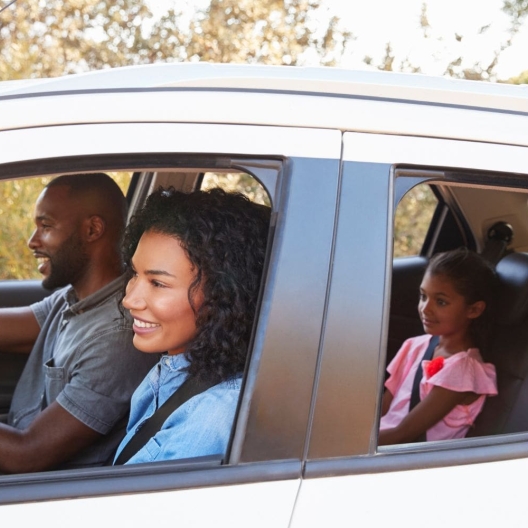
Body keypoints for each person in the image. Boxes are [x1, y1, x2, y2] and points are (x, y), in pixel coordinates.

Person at [0, 173, 157, 473]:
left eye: (45, 226)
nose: (33, 242)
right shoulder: (74, 297)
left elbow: (26, 455)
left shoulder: (118, 336)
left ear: (92, 229)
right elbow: (13, 329)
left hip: (51, 492)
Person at [113, 187, 270, 465]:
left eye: (158, 283)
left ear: (221, 295)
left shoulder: (211, 416)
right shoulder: (171, 373)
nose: (129, 299)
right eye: (135, 274)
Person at [379, 248, 498, 445]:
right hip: (379, 444)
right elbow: (382, 410)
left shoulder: (462, 371)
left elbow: (403, 435)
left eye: (441, 302)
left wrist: (345, 448)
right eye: (423, 296)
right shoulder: (415, 346)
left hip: (404, 458)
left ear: (474, 309)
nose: (425, 308)